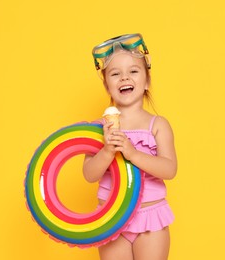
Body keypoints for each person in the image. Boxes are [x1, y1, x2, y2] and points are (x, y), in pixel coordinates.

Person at [83, 34, 177, 260]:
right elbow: (89, 174)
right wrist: (107, 151)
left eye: (133, 71)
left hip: (149, 220)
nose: (125, 77)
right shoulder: (98, 128)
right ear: (107, 86)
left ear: (146, 81)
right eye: (115, 74)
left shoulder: (158, 125)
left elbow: (169, 169)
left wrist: (133, 153)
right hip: (112, 217)